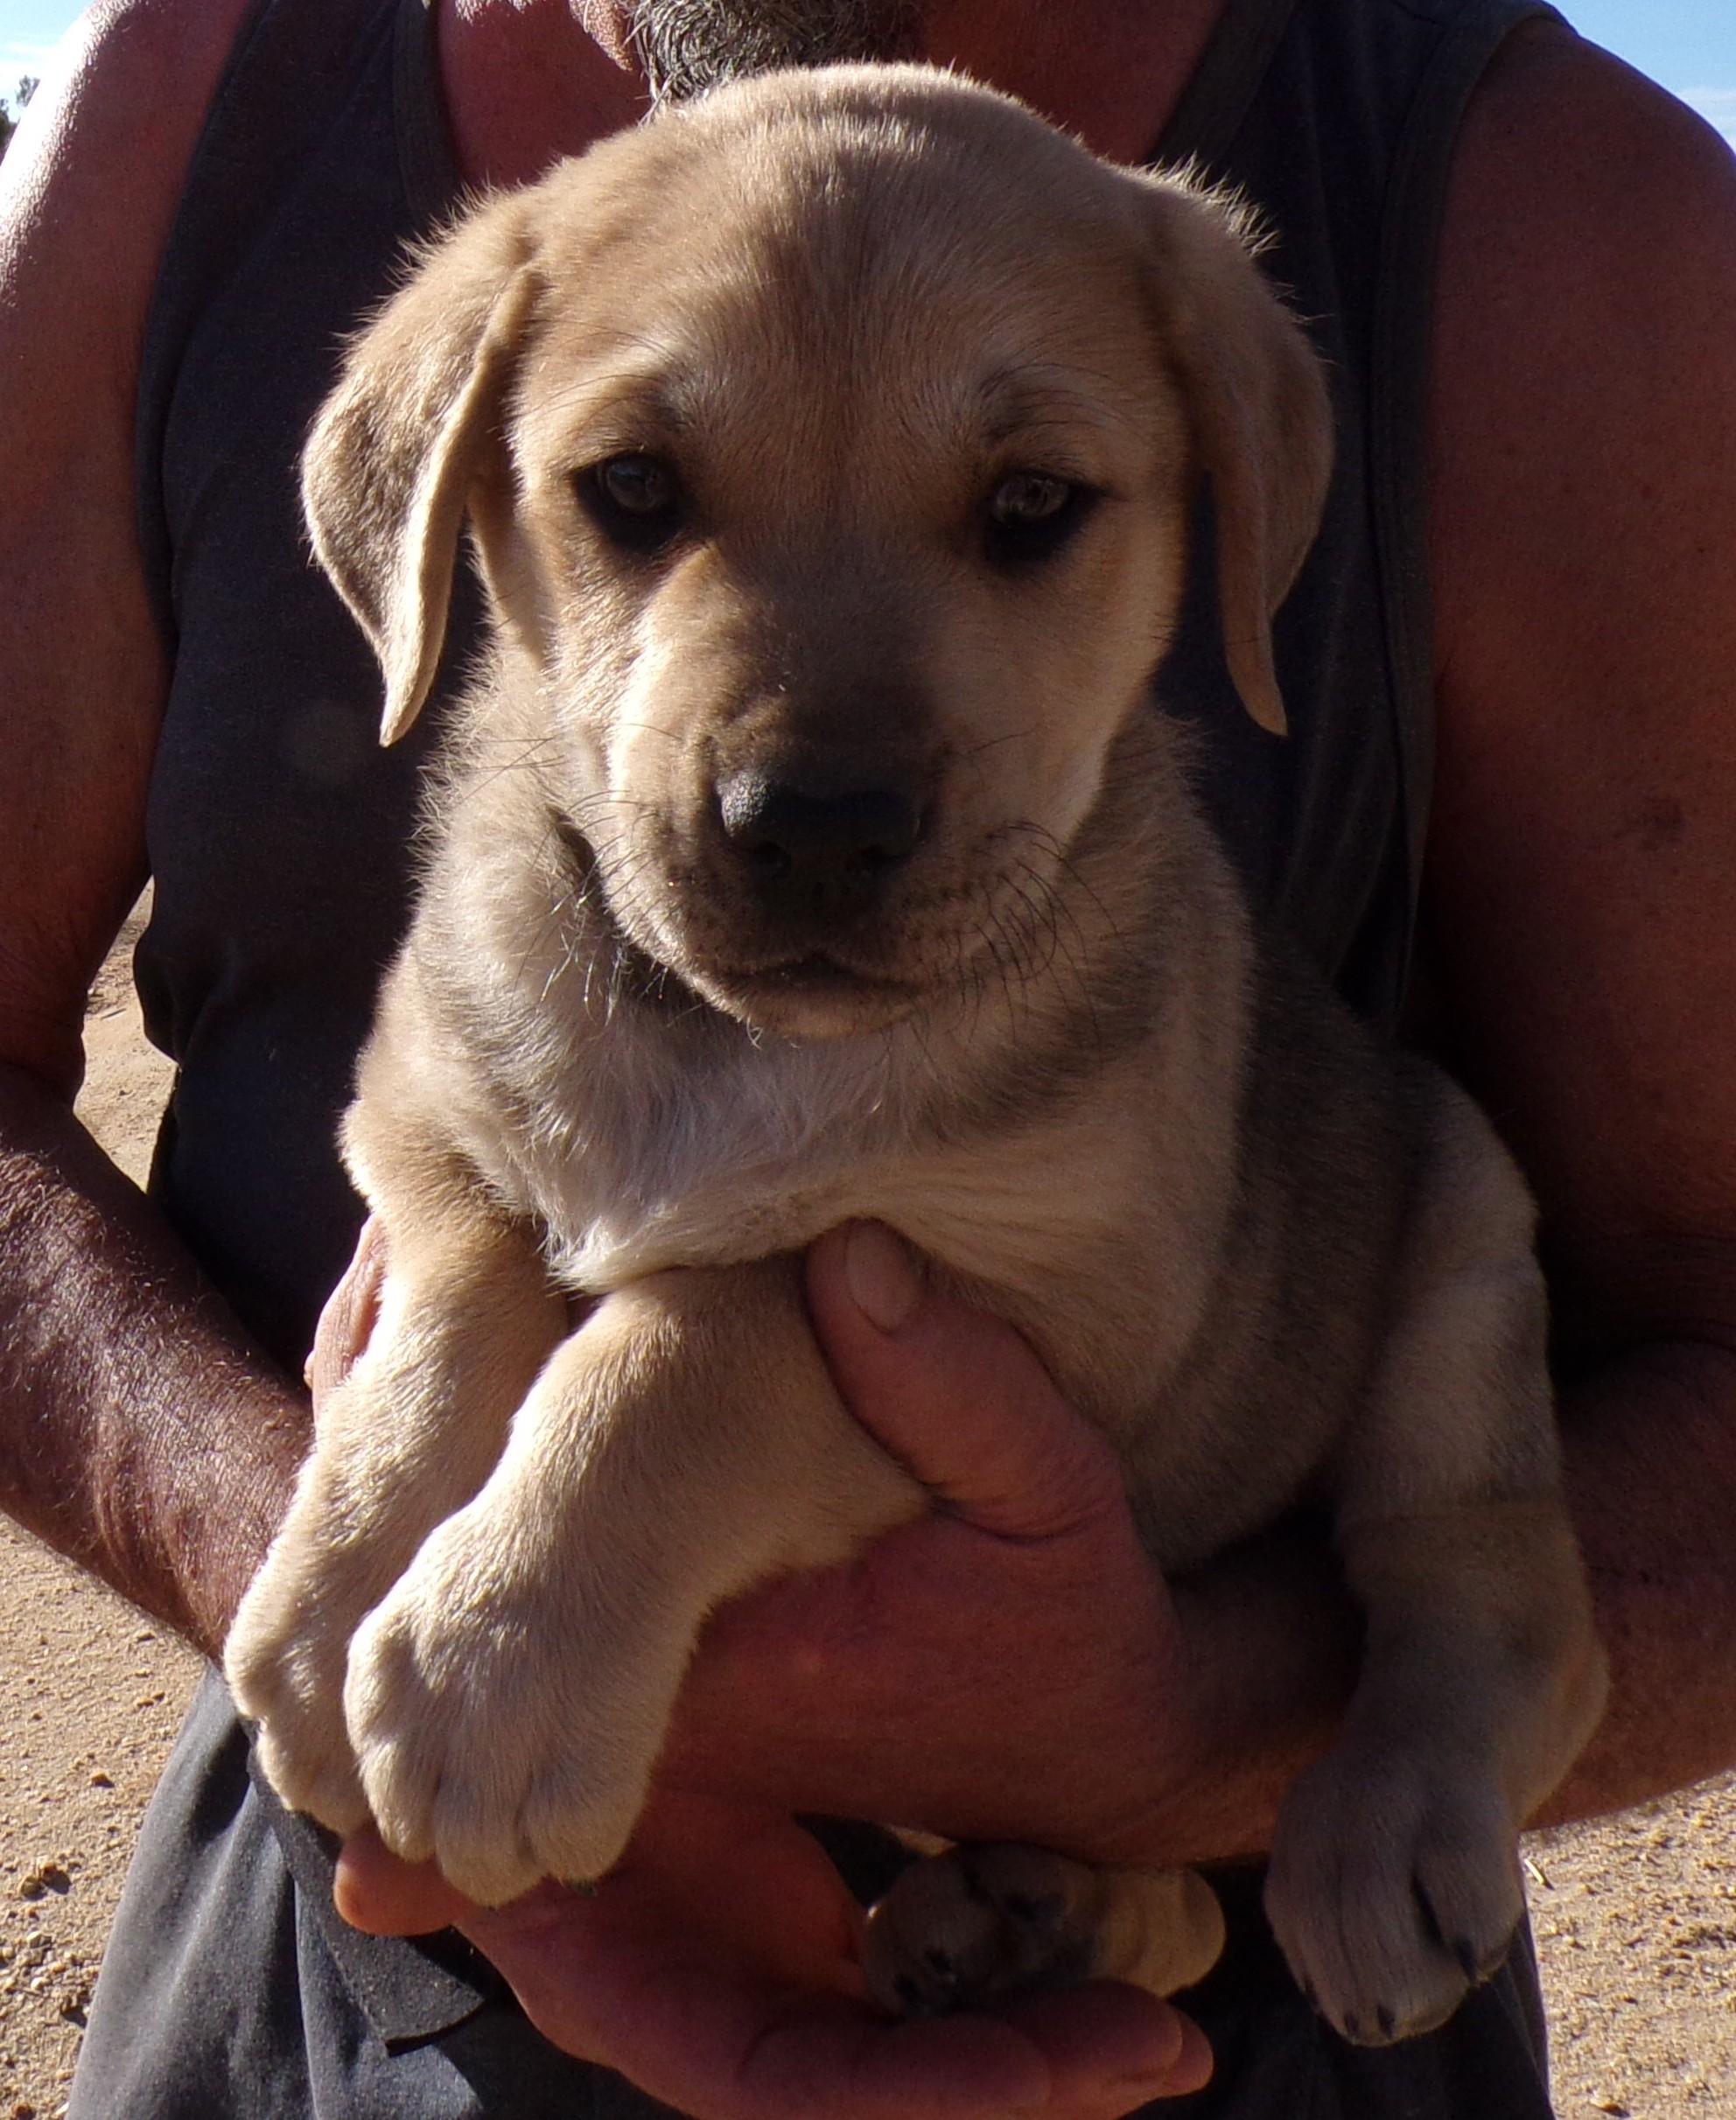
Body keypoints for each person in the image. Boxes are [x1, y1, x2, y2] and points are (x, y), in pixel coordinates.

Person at [2, 0, 1733, 2113]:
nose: (813, 779)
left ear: (1235, 488)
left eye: (1020, 510)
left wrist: (1194, 1742)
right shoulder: (193, 102)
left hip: (1225, 2029)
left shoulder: (1556, 217)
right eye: (638, 496)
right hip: (346, 1932)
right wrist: (294, 1522)